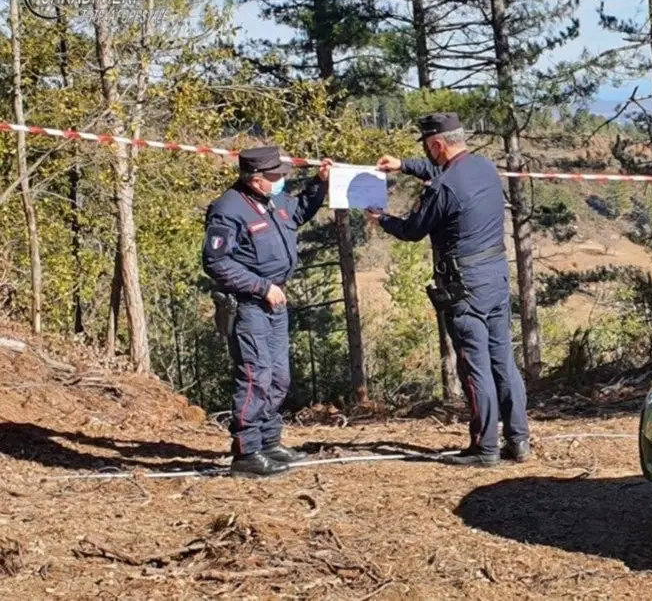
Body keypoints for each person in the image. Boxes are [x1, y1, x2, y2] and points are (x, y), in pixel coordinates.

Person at [367, 112, 531, 467]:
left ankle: (484, 447)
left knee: (475, 365)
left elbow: (412, 230)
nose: (428, 156)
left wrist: (382, 219)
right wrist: (405, 165)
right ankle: (518, 440)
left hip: (464, 285)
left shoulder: (442, 188)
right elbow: (445, 175)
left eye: (429, 149)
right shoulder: (485, 168)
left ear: (438, 144)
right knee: (503, 359)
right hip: (496, 277)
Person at [202, 145, 332, 478]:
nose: (282, 181)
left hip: (275, 303)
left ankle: (269, 440)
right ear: (257, 179)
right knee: (254, 376)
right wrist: (261, 287)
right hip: (249, 305)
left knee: (278, 376)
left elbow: (300, 211)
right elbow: (216, 261)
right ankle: (246, 452)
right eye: (276, 177)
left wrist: (319, 184)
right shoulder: (228, 209)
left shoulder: (273, 201)